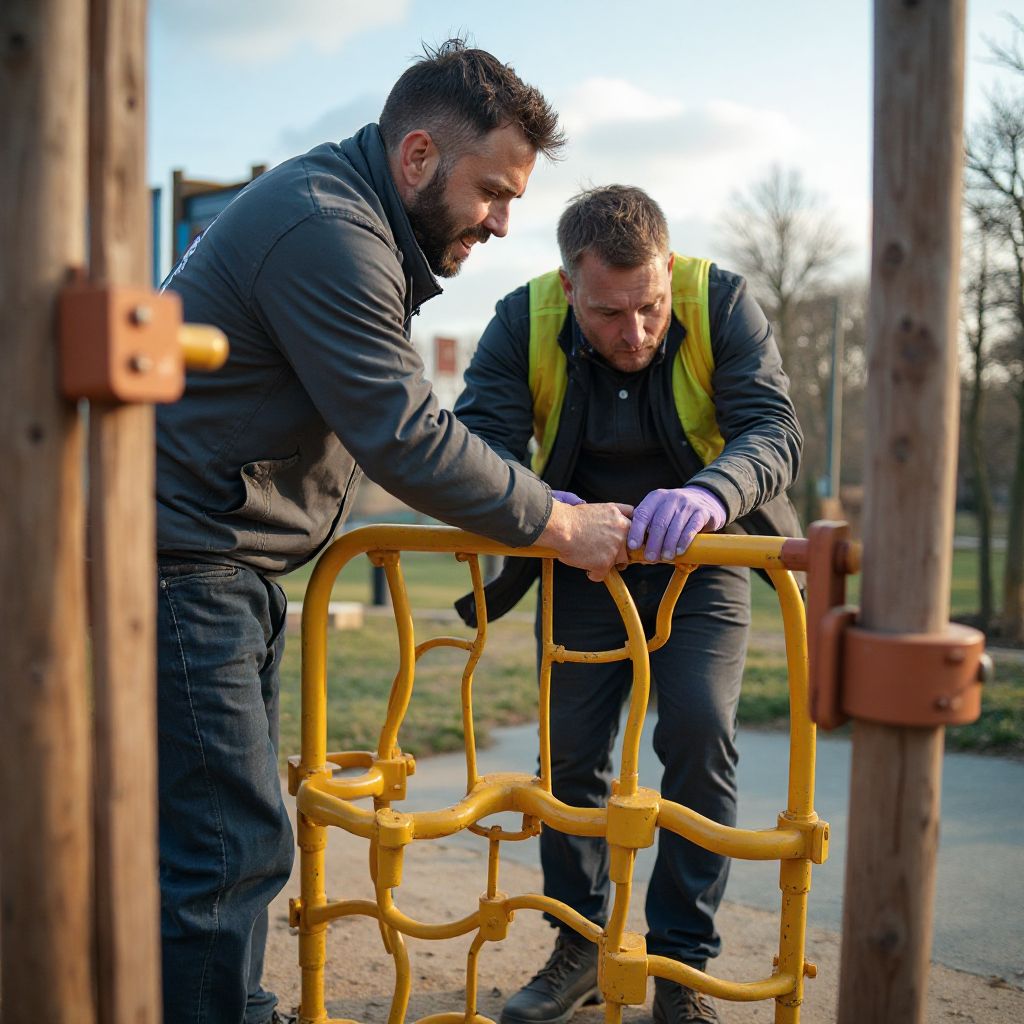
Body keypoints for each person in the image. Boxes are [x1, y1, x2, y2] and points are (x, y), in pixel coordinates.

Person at [155, 42, 631, 1024]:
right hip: (183, 557)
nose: (504, 222)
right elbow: (405, 436)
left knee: (214, 831)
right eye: (491, 190)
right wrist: (560, 522)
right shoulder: (327, 231)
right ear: (416, 156)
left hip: (210, 553)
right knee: (226, 839)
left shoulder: (337, 210)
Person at [453, 185, 802, 1024]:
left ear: (668, 271)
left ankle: (681, 969)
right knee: (569, 756)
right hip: (580, 566)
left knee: (697, 733)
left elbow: (774, 428)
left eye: (648, 306)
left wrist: (715, 493)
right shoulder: (521, 317)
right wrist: (543, 504)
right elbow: (479, 442)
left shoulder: (721, 302)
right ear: (570, 287)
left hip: (702, 558)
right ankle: (578, 941)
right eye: (610, 313)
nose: (636, 332)